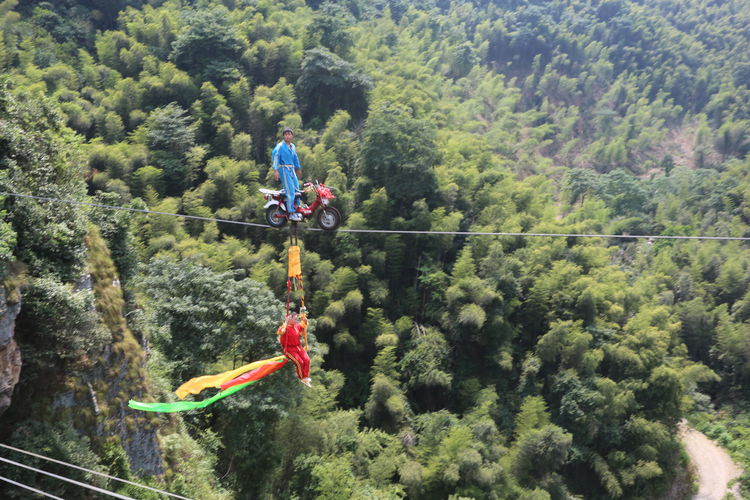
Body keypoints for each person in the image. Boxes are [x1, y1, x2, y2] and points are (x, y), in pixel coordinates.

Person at [272, 127, 303, 221]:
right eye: (286, 134)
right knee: (290, 191)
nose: (288, 136)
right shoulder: (280, 146)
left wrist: (298, 168)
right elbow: (275, 156)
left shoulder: (292, 146)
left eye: (289, 134)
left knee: (297, 189)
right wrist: (276, 170)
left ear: (292, 136)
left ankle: (297, 207)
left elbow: (295, 158)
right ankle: (291, 212)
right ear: (283, 136)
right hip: (284, 169)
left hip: (292, 169)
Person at [277, 309, 312, 387]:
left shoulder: (296, 326)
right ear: (289, 318)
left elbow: (303, 326)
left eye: (296, 319)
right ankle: (302, 378)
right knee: (300, 362)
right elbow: (281, 332)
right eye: (295, 319)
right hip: (289, 349)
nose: (296, 320)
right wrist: (286, 322)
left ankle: (306, 376)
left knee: (307, 360)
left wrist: (304, 318)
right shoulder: (284, 327)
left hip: (298, 347)